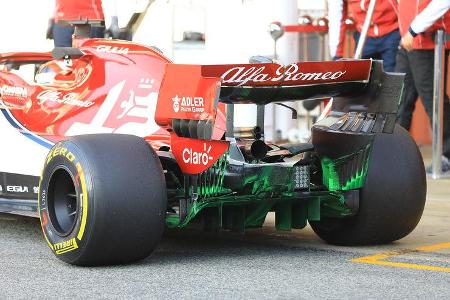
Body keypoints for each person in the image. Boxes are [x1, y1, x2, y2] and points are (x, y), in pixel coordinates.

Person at [396, 0, 450, 173]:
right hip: (408, 40)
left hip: (427, 40)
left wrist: (414, 29)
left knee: (434, 100)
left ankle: (447, 155)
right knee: (399, 101)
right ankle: (396, 154)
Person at [327, 0, 399, 72]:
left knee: (392, 75)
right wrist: (337, 55)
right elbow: (336, 17)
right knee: (364, 75)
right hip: (364, 35)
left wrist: (405, 31)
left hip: (392, 31)